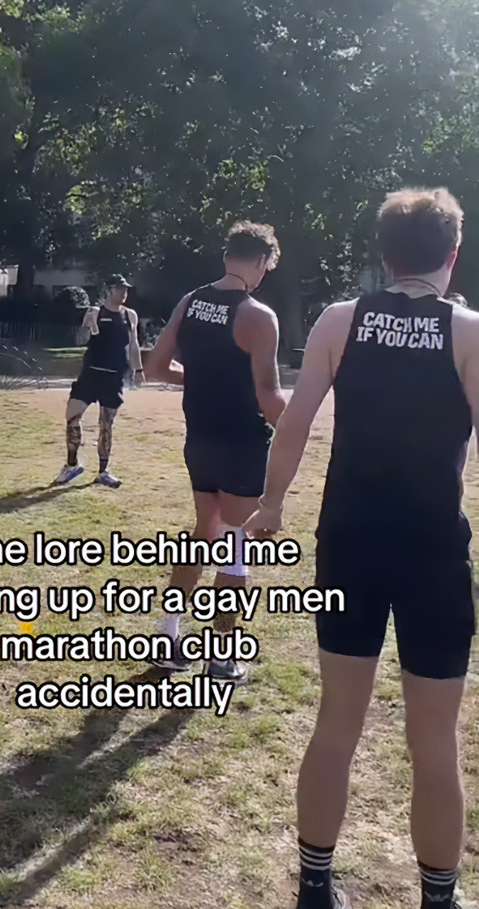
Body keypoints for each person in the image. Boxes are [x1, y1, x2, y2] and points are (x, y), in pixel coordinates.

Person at [245, 188, 476, 909]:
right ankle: (437, 898)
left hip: (348, 539)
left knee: (336, 720)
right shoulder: (469, 331)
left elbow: (295, 423)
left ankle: (316, 885)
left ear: (383, 254)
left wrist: (274, 502)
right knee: (434, 737)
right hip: (434, 550)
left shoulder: (340, 322)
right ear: (452, 254)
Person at [146, 221, 286, 681]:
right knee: (234, 547)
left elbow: (155, 367)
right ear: (262, 261)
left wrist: (202, 380)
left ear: (228, 255)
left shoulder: (191, 301)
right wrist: (295, 428)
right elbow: (268, 396)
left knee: (202, 533)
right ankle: (222, 655)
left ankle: (168, 636)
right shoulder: (257, 315)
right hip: (241, 444)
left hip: (199, 442)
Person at [55, 275, 144, 489]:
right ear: (109, 290)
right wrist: (87, 326)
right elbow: (80, 341)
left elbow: (134, 345)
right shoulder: (95, 312)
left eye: (126, 289)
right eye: (120, 289)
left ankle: (104, 472)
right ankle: (72, 465)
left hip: (113, 377)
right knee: (72, 417)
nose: (124, 293)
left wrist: (138, 370)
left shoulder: (130, 316)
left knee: (106, 425)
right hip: (90, 374)